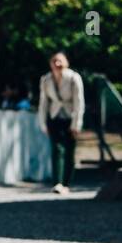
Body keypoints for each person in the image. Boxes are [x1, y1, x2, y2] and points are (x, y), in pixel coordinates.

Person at [36, 51, 84, 193]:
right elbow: (43, 102)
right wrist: (43, 122)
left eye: (60, 61)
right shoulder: (46, 79)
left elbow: (79, 101)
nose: (57, 64)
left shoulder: (74, 78)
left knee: (69, 150)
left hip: (70, 117)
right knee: (56, 149)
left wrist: (76, 123)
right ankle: (57, 182)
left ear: (66, 63)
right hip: (54, 116)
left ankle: (67, 183)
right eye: (54, 61)